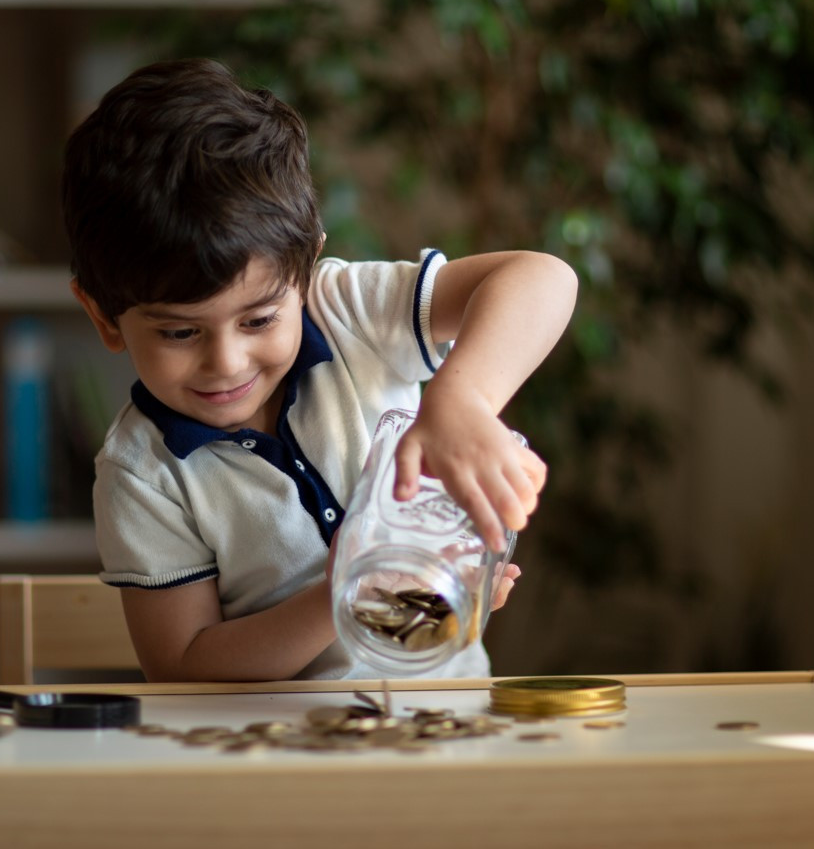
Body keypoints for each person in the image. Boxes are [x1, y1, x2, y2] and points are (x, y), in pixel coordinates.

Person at [63, 58, 577, 682]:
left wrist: (461, 401)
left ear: (305, 275)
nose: (226, 362)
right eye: (179, 332)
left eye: (259, 320)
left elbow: (543, 278)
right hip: (277, 739)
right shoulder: (143, 472)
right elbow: (184, 668)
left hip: (448, 720)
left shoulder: (346, 313)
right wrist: (345, 591)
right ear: (105, 318)